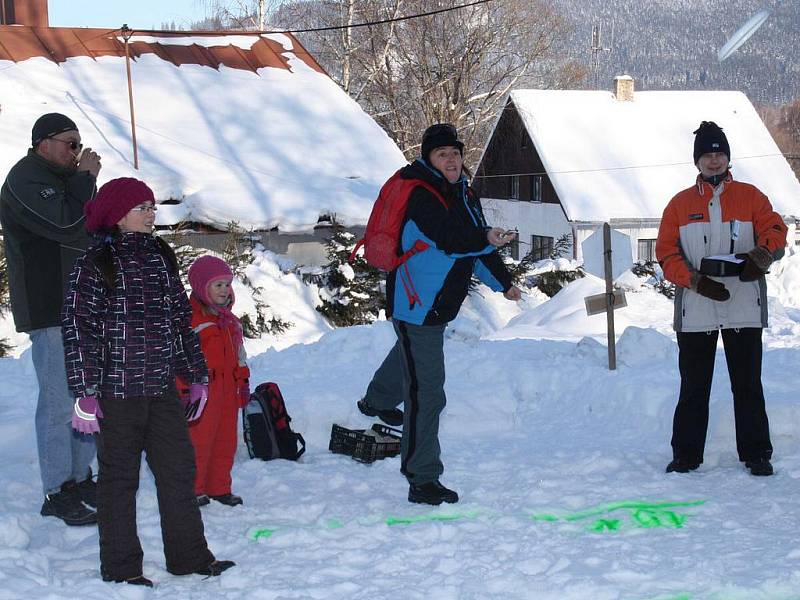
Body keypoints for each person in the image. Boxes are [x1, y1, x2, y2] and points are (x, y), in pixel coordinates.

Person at [61, 177, 235, 586]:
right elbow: (78, 327)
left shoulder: (159, 255)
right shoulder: (95, 263)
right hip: (116, 393)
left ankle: (189, 557)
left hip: (159, 390)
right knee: (119, 480)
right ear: (117, 215)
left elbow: (180, 320)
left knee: (178, 472)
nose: (151, 213)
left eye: (152, 206)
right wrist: (85, 391)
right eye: (142, 207)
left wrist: (196, 377)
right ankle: (122, 569)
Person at [358, 123, 521, 505]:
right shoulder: (423, 197)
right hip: (417, 306)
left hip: (434, 304)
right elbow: (452, 240)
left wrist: (504, 283)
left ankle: (376, 402)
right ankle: (422, 478)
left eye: (456, 153)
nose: (451, 159)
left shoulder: (462, 193)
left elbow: (475, 247)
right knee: (428, 393)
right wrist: (484, 238)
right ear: (428, 158)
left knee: (409, 356)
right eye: (442, 153)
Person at [656, 121, 787, 477]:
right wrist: (694, 281)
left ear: (728, 158)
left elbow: (776, 230)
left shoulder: (751, 197)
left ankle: (757, 453)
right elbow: (666, 254)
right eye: (707, 155)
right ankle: (686, 454)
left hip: (743, 304)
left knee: (747, 385)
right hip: (696, 307)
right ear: (697, 161)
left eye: (720, 154)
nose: (714, 161)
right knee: (693, 386)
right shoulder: (679, 205)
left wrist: (761, 257)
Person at [0, 113, 102, 526]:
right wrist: (85, 180)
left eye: (80, 144)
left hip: (81, 305)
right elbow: (69, 224)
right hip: (50, 307)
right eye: (70, 143)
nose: (78, 152)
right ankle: (57, 490)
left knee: (86, 397)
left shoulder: (64, 180)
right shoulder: (25, 179)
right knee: (60, 400)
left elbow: (93, 229)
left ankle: (80, 477)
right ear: (44, 143)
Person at [178, 255, 250, 508]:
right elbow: (180, 359)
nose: (225, 290)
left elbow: (239, 356)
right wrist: (185, 389)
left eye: (227, 284)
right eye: (218, 285)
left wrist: (243, 383)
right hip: (203, 392)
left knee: (225, 441)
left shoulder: (230, 321)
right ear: (201, 287)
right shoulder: (191, 320)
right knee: (200, 441)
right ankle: (194, 489)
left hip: (228, 391)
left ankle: (219, 487)